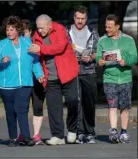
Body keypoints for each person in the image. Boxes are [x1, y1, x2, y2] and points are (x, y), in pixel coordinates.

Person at [0, 15, 44, 147]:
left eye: (12, 29)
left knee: (22, 109)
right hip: (6, 84)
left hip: (24, 83)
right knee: (10, 112)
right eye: (7, 29)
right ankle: (13, 138)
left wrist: (39, 73)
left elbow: (35, 61)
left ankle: (26, 137)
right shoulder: (2, 45)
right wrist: (1, 61)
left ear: (18, 30)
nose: (9, 32)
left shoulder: (27, 43)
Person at [29, 14, 79, 145]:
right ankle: (58, 136)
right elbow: (36, 57)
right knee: (53, 107)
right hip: (50, 77)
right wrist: (39, 72)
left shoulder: (60, 29)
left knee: (73, 101)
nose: (39, 31)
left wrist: (41, 49)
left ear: (50, 25)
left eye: (42, 28)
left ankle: (72, 129)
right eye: (38, 28)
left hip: (68, 73)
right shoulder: (36, 36)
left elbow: (59, 47)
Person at [96, 14, 137, 144]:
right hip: (109, 78)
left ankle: (124, 132)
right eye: (106, 26)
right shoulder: (102, 40)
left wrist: (126, 61)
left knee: (124, 107)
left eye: (110, 27)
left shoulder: (128, 40)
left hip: (125, 78)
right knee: (112, 106)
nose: (107, 29)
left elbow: (135, 57)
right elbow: (97, 57)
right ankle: (113, 131)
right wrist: (100, 61)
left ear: (117, 26)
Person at [66, 6, 100, 144]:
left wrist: (91, 57)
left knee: (89, 102)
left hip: (89, 70)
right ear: (74, 18)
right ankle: (78, 132)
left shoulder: (93, 31)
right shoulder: (66, 31)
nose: (80, 21)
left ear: (86, 19)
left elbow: (99, 51)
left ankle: (89, 132)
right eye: (77, 18)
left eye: (82, 18)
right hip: (72, 70)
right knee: (75, 102)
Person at [18, 19, 45, 145]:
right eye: (21, 34)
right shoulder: (16, 46)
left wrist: (40, 74)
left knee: (38, 106)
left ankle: (36, 135)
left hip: (37, 79)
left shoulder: (36, 43)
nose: (24, 36)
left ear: (30, 32)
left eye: (26, 33)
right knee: (23, 107)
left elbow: (39, 61)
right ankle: (23, 133)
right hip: (23, 80)